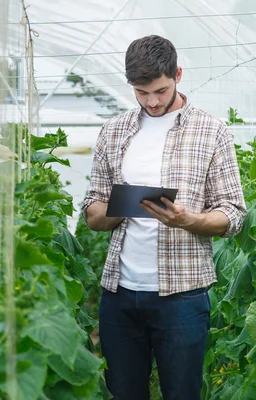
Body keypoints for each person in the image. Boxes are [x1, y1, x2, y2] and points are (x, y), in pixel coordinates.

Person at [81, 35, 247, 400]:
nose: (152, 102)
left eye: (160, 90)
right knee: (122, 392)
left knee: (181, 393)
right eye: (142, 93)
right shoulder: (113, 132)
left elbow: (233, 214)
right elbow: (92, 211)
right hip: (120, 294)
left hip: (182, 297)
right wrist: (119, 209)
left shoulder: (211, 131)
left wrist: (190, 221)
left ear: (178, 75)